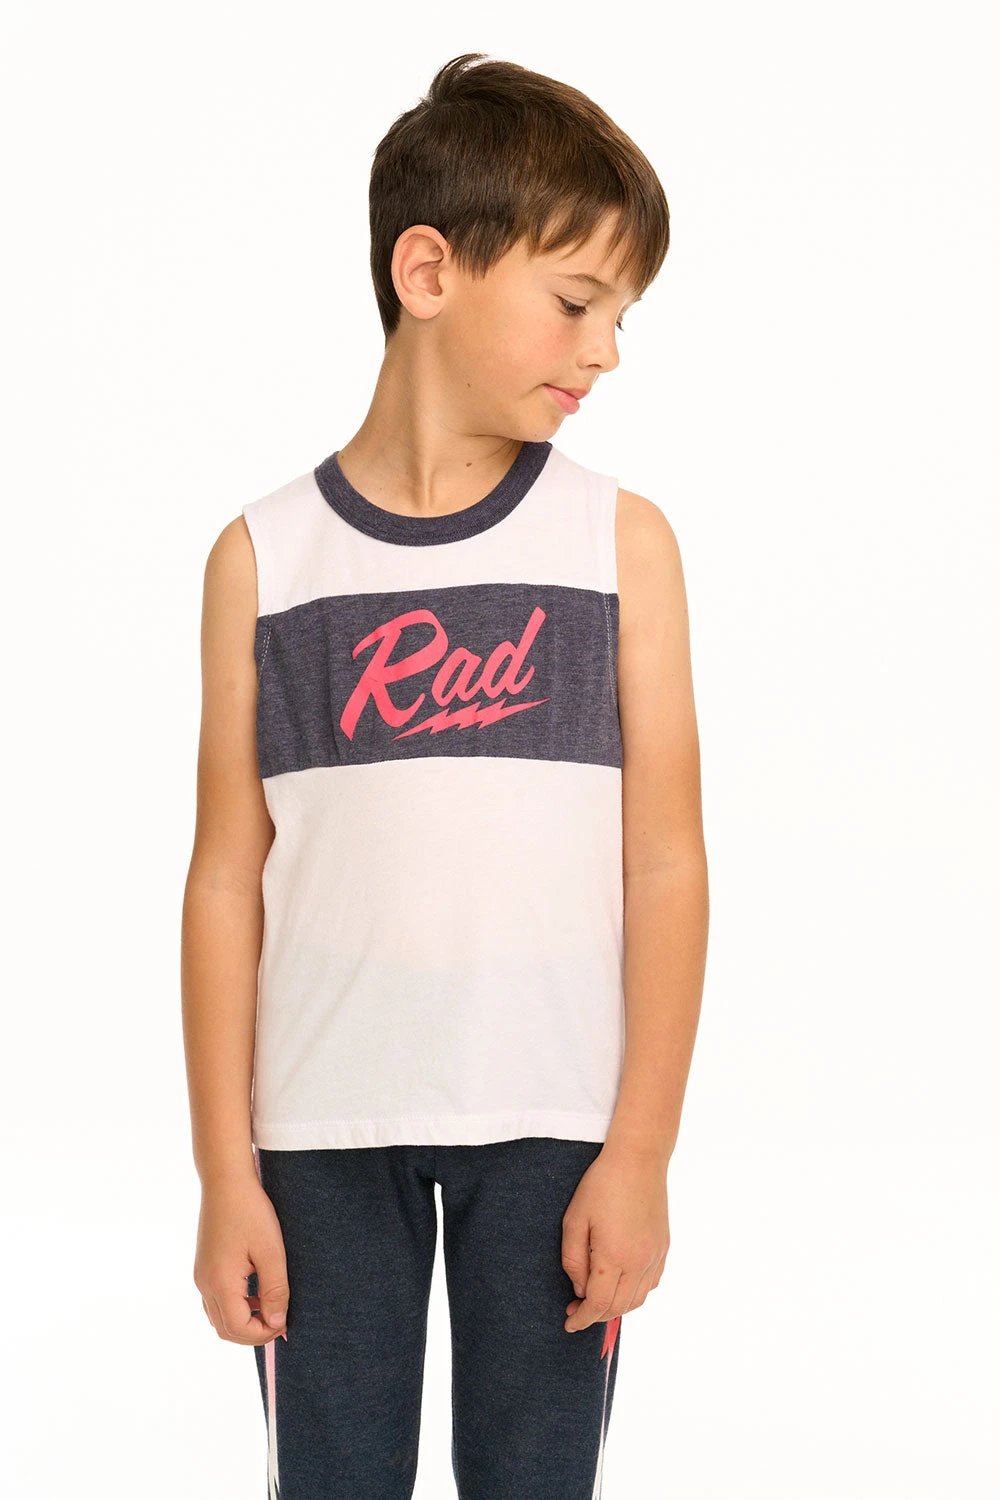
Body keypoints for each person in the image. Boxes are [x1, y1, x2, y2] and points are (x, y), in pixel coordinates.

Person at [181, 50, 708, 1500]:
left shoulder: (619, 547)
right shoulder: (265, 561)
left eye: (621, 317)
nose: (604, 352)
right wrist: (226, 1172)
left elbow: (665, 861)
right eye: (577, 302)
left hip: (554, 1133)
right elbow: (225, 880)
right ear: (428, 271)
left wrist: (641, 1151)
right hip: (317, 1137)